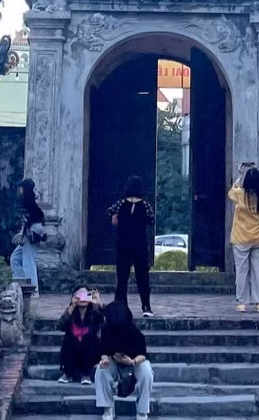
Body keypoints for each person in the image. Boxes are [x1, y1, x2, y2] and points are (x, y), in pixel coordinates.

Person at [93, 299, 153, 420]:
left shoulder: (135, 334)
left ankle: (142, 410)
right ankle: (108, 407)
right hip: (114, 360)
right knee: (101, 371)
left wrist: (132, 362)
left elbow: (143, 355)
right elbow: (104, 351)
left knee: (146, 373)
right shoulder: (106, 331)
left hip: (135, 360)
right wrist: (104, 360)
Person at [107, 175, 155, 316]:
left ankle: (121, 306)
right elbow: (151, 220)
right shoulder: (145, 205)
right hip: (140, 244)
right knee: (143, 278)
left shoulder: (121, 204)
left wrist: (116, 219)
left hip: (123, 244)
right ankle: (146, 306)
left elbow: (109, 212)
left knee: (122, 278)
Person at [229, 163, 259, 313]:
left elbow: (231, 191)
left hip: (241, 237)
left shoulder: (240, 195)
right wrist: (255, 170)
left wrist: (240, 174)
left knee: (241, 270)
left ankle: (242, 302)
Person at [57, 286, 106, 383]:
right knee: (70, 339)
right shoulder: (71, 312)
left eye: (86, 295)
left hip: (90, 352)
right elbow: (61, 326)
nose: (83, 298)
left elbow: (107, 320)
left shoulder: (94, 313)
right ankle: (68, 373)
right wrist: (71, 307)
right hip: (73, 351)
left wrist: (99, 304)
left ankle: (86, 374)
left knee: (89, 338)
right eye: (80, 295)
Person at [11, 178, 47, 289]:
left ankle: (32, 289)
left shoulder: (28, 202)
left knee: (28, 261)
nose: (19, 190)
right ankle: (21, 285)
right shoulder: (30, 202)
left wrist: (23, 233)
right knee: (15, 258)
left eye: (21, 188)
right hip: (31, 231)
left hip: (32, 232)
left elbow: (29, 221)